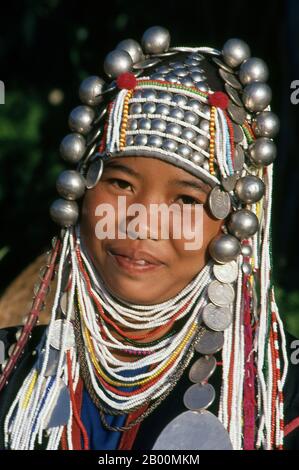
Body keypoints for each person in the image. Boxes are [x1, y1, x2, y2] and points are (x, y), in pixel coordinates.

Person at [0, 26, 299, 451]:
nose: (142, 222)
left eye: (186, 198)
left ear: (235, 222)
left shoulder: (277, 400)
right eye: (121, 184)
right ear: (79, 194)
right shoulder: (9, 370)